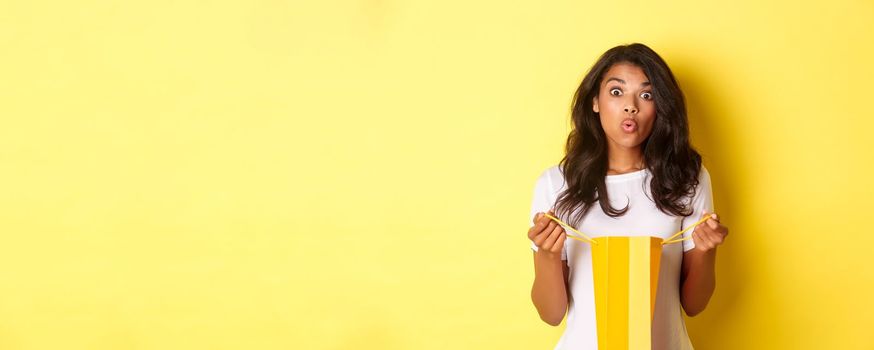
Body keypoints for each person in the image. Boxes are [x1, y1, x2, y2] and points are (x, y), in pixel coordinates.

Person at [527, 43, 730, 350]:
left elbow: (694, 305)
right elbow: (551, 314)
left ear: (659, 107)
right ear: (595, 101)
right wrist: (548, 254)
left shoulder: (687, 180)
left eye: (646, 95)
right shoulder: (556, 185)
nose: (631, 106)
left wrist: (705, 251)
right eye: (617, 92)